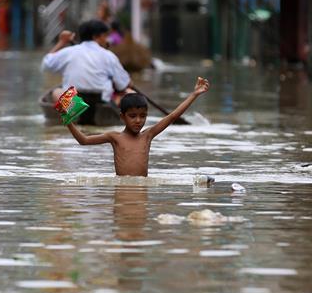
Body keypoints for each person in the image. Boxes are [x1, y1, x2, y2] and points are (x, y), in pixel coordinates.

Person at [64, 77, 210, 176]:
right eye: (132, 116)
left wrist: (194, 94)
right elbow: (83, 140)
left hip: (141, 188)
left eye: (143, 116)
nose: (138, 121)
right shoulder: (114, 137)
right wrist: (68, 121)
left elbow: (172, 116)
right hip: (121, 188)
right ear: (122, 117)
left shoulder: (148, 135)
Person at [42, 19, 132, 104]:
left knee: (56, 92)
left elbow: (46, 64)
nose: (106, 40)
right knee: (129, 93)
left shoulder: (69, 52)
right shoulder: (109, 56)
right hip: (101, 102)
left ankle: (72, 118)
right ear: (96, 37)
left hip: (76, 104)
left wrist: (61, 42)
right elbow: (123, 85)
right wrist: (128, 84)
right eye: (105, 36)